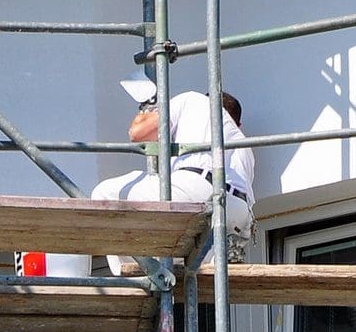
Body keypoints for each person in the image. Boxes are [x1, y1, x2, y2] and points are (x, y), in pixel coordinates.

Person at [92, 91, 254, 273]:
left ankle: (130, 276)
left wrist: (148, 111)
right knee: (188, 261)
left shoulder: (191, 100)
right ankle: (221, 253)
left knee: (104, 194)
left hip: (198, 191)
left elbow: (138, 133)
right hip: (239, 213)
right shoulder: (243, 145)